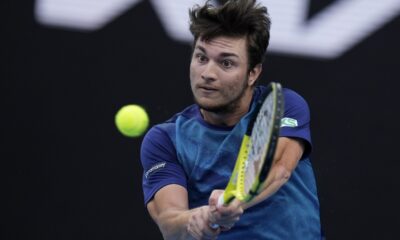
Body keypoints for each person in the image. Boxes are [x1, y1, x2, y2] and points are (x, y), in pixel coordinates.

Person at [140, 0, 322, 239]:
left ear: (252, 73)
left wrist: (233, 200)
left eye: (226, 63)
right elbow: (169, 221)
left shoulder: (285, 105)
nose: (207, 74)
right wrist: (197, 219)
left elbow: (278, 169)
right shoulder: (165, 139)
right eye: (201, 58)